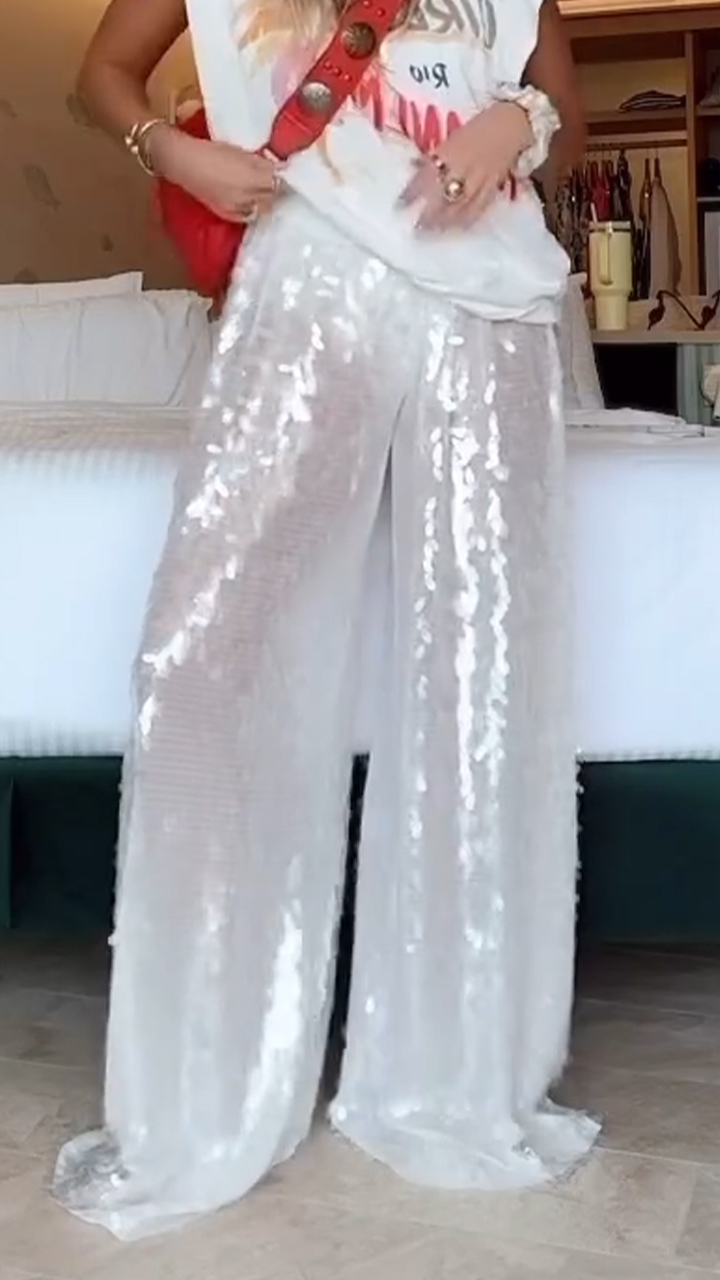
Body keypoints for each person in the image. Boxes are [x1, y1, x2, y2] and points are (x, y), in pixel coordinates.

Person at [53, 0, 598, 1241]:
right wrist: (175, 151)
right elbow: (106, 68)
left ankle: (457, 1076)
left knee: (482, 667)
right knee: (210, 651)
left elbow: (561, 108)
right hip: (310, 269)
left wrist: (516, 121)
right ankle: (197, 1088)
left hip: (491, 295)